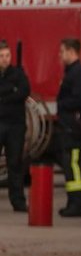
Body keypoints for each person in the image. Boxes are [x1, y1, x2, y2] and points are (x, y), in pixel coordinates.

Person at [55, 38, 81, 217]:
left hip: (74, 128)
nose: (60, 56)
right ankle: (73, 202)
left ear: (71, 51)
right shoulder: (73, 71)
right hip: (70, 126)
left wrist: (62, 105)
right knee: (70, 166)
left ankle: (78, 204)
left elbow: (79, 99)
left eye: (62, 52)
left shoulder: (76, 72)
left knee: (75, 166)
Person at [0, 39, 30, 212]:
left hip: (15, 126)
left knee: (15, 164)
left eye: (7, 55)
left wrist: (5, 97)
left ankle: (18, 201)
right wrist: (11, 91)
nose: (5, 59)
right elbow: (15, 93)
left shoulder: (18, 74)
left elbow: (24, 91)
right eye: (2, 56)